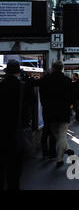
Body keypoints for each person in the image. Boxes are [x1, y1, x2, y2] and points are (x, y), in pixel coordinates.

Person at [0, 60, 32, 190]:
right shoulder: (22, 86)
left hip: (2, 131)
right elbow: (32, 103)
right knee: (15, 166)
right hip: (17, 132)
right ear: (18, 72)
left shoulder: (1, 86)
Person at [39, 61, 74, 167]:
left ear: (53, 68)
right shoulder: (67, 80)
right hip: (64, 112)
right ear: (62, 68)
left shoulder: (45, 80)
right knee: (62, 135)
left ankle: (62, 156)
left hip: (50, 113)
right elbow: (71, 97)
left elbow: (42, 96)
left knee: (57, 135)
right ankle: (61, 157)